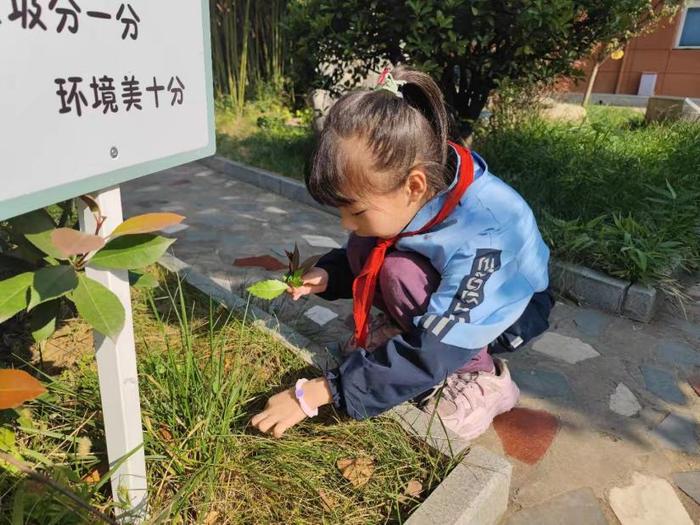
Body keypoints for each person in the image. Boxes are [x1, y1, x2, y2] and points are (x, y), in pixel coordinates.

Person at [251, 66, 553, 440]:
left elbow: (436, 347)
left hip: (511, 311)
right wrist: (330, 273)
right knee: (368, 239)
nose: (345, 223)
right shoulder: (413, 195)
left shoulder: (487, 234)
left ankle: (483, 377)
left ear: (413, 186)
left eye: (354, 210)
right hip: (454, 291)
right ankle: (403, 327)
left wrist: (322, 391)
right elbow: (365, 252)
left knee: (397, 272)